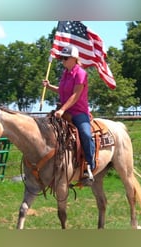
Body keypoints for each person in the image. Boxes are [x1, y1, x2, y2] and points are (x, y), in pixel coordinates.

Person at [42, 45, 95, 183]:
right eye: (61, 58)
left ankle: (90, 166)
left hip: (78, 112)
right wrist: (49, 87)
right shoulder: (65, 73)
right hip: (64, 111)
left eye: (65, 58)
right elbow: (62, 91)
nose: (62, 61)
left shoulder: (81, 73)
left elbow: (75, 95)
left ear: (74, 59)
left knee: (86, 134)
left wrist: (62, 110)